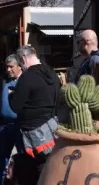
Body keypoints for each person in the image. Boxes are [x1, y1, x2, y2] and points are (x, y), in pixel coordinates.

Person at [10, 45, 61, 175]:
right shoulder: (52, 72)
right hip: (53, 127)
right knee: (52, 166)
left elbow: (15, 106)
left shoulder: (27, 77)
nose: (21, 67)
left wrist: (11, 95)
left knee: (37, 170)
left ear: (23, 58)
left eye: (20, 63)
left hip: (33, 133)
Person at [0, 54, 23, 185]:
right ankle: (0, 182)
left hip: (20, 126)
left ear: (19, 66)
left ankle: (20, 182)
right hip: (4, 126)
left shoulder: (25, 81)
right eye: (6, 66)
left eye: (11, 67)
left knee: (22, 156)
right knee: (2, 156)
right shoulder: (2, 81)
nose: (8, 69)